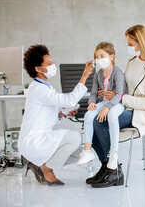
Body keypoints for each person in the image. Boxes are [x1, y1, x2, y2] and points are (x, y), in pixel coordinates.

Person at [87, 24, 145, 188]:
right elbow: (124, 85)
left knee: (100, 121)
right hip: (127, 105)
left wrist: (122, 98)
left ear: (141, 43)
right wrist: (110, 92)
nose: (128, 48)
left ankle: (114, 170)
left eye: (130, 44)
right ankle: (106, 166)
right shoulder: (133, 59)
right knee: (91, 120)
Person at [19, 44, 93, 186]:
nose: (53, 66)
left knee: (80, 151)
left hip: (39, 138)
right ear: (38, 69)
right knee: (74, 138)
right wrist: (84, 76)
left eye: (52, 62)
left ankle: (38, 164)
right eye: (49, 64)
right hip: (33, 141)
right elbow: (70, 99)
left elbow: (43, 117)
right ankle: (46, 169)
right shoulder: (39, 89)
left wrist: (61, 114)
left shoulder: (44, 87)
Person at [77, 42, 127, 169]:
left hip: (117, 104)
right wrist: (91, 103)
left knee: (112, 115)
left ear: (111, 57)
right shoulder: (98, 74)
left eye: (102, 56)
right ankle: (87, 151)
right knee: (88, 116)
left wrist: (107, 107)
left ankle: (114, 153)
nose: (98, 59)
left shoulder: (117, 73)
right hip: (103, 102)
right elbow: (93, 93)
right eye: (96, 57)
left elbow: (119, 94)